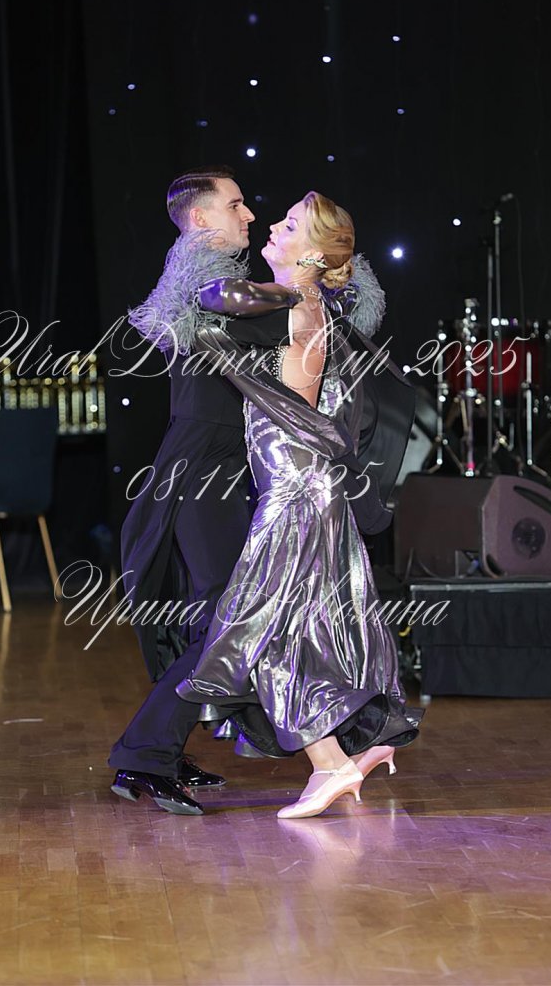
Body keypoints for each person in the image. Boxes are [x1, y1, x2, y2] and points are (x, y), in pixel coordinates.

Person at [176, 191, 422, 818]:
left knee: (263, 631)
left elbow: (214, 299)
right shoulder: (305, 305)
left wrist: (208, 288)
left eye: (288, 226)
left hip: (294, 494)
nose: (272, 227)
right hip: (309, 490)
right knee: (313, 626)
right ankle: (362, 743)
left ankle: (330, 763)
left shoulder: (294, 306)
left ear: (312, 253)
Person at [109, 167, 297, 815]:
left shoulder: (203, 279)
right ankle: (144, 754)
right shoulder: (204, 278)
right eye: (235, 204)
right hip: (202, 466)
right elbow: (241, 304)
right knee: (225, 616)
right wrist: (308, 287)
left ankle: (158, 747)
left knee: (214, 615)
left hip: (209, 462)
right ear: (199, 219)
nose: (249, 215)